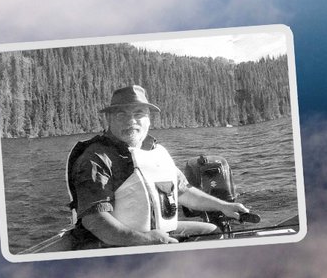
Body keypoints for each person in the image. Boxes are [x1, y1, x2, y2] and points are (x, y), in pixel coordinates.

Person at [66, 85, 249, 248]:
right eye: (122, 115)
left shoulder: (156, 151)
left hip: (156, 235)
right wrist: (143, 240)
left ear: (149, 119)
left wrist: (224, 206)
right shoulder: (96, 159)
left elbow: (182, 191)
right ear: (109, 119)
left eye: (139, 114)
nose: (132, 121)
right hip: (110, 244)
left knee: (213, 233)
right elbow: (95, 221)